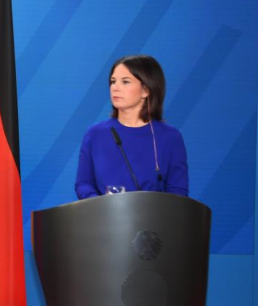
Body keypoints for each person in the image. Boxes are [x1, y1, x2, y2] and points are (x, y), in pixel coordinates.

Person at [75, 55, 188, 199]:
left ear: (145, 90)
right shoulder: (95, 133)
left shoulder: (171, 137)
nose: (115, 88)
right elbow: (83, 184)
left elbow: (178, 190)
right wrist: (100, 206)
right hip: (103, 218)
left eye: (125, 82)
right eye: (113, 81)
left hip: (153, 219)